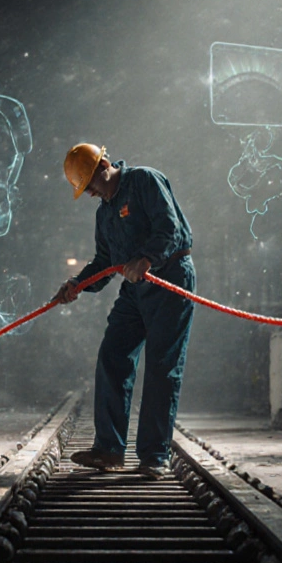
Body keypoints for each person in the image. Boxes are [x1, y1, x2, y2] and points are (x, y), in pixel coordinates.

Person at [53, 143, 196, 481]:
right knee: (113, 355)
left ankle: (153, 456)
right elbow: (105, 262)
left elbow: (169, 227)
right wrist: (77, 284)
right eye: (84, 188)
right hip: (134, 289)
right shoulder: (104, 213)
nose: (89, 193)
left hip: (170, 276)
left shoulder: (145, 180)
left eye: (90, 183)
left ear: (104, 164)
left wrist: (146, 258)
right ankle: (110, 449)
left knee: (162, 366)